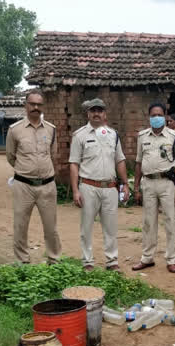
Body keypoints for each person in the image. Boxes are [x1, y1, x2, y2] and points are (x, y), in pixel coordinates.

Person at [69, 98, 130, 271]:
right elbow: (74, 163)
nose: (96, 113)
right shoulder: (79, 135)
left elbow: (120, 160)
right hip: (88, 186)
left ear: (105, 114)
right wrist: (75, 190)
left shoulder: (113, 134)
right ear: (88, 113)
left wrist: (125, 184)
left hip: (110, 187)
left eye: (100, 110)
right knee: (86, 227)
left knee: (111, 228)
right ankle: (87, 262)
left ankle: (112, 262)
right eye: (93, 110)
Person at [6, 89, 61, 265]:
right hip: (23, 186)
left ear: (42, 107)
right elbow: (11, 156)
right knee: (20, 225)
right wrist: (26, 170)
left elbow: (53, 155)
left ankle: (54, 260)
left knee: (51, 227)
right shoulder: (15, 130)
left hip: (47, 186)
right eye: (32, 104)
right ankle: (22, 262)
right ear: (26, 105)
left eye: (39, 104)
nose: (36, 107)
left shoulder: (51, 130)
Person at [132, 101, 175, 274]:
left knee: (170, 220)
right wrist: (137, 187)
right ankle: (147, 258)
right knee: (148, 222)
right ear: (149, 117)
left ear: (165, 116)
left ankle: (171, 259)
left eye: (159, 115)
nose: (156, 118)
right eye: (153, 115)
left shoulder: (174, 136)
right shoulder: (142, 136)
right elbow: (138, 162)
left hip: (167, 183)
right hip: (148, 183)